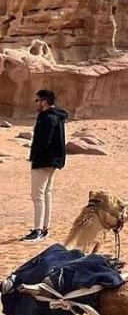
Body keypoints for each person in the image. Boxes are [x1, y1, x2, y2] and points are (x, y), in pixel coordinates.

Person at [24, 89, 68, 243]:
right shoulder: (57, 116)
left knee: (38, 196)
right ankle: (44, 228)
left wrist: (34, 156)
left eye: (37, 100)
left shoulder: (48, 118)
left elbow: (44, 140)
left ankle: (37, 230)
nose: (35, 103)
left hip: (44, 161)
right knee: (46, 194)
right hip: (53, 161)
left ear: (44, 102)